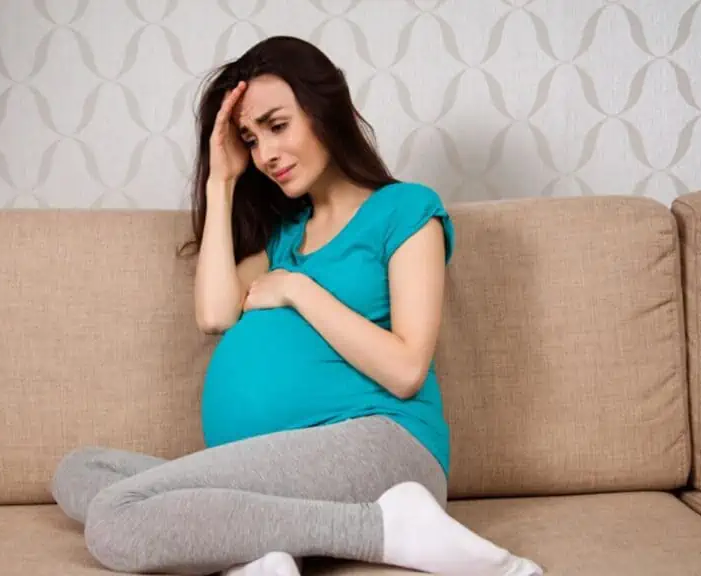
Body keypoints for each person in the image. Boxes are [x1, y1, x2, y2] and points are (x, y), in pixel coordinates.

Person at [51, 35, 542, 576]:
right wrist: (221, 180)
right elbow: (215, 314)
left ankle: (387, 528)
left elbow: (406, 370)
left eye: (277, 126)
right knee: (80, 472)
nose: (266, 155)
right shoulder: (287, 238)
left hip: (382, 443)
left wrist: (298, 290)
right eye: (250, 139)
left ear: (326, 111)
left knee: (115, 518)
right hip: (278, 463)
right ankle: (257, 553)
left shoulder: (406, 210)